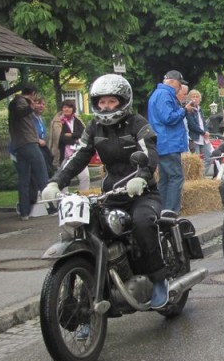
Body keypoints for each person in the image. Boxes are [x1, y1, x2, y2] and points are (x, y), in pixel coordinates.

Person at [42, 74, 172, 308]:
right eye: (102, 102)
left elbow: (150, 153)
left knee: (142, 223)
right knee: (92, 232)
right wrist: (56, 182)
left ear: (123, 101)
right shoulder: (93, 127)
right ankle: (90, 297)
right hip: (110, 194)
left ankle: (159, 278)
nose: (106, 106)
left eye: (111, 101)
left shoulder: (137, 123)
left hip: (141, 193)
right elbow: (78, 157)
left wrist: (142, 177)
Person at [148, 70, 193, 214]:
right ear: (173, 82)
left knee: (165, 179)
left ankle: (162, 209)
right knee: (175, 177)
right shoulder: (164, 94)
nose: (180, 89)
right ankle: (171, 211)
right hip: (169, 142)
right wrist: (184, 110)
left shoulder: (157, 94)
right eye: (180, 86)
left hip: (163, 142)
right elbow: (168, 118)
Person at [8, 83, 49, 220]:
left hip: (19, 144)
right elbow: (21, 112)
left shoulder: (17, 102)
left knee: (24, 179)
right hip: (28, 143)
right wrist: (31, 106)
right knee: (42, 174)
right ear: (33, 93)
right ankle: (52, 207)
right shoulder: (20, 101)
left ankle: (25, 212)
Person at [48, 99, 90, 191]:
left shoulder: (77, 120)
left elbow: (83, 133)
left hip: (78, 153)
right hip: (63, 154)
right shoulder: (57, 122)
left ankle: (83, 197)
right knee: (63, 179)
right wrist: (74, 139)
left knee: (85, 177)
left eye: (69, 107)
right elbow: (60, 138)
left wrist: (71, 135)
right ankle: (63, 200)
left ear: (73, 109)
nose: (67, 109)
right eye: (64, 107)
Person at [185, 89, 213, 172]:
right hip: (195, 138)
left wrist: (206, 131)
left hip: (204, 138)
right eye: (193, 97)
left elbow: (204, 123)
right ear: (189, 99)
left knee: (209, 156)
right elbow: (192, 125)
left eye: (197, 97)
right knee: (196, 160)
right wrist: (203, 132)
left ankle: (202, 176)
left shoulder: (200, 110)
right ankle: (196, 177)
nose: (195, 98)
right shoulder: (189, 110)